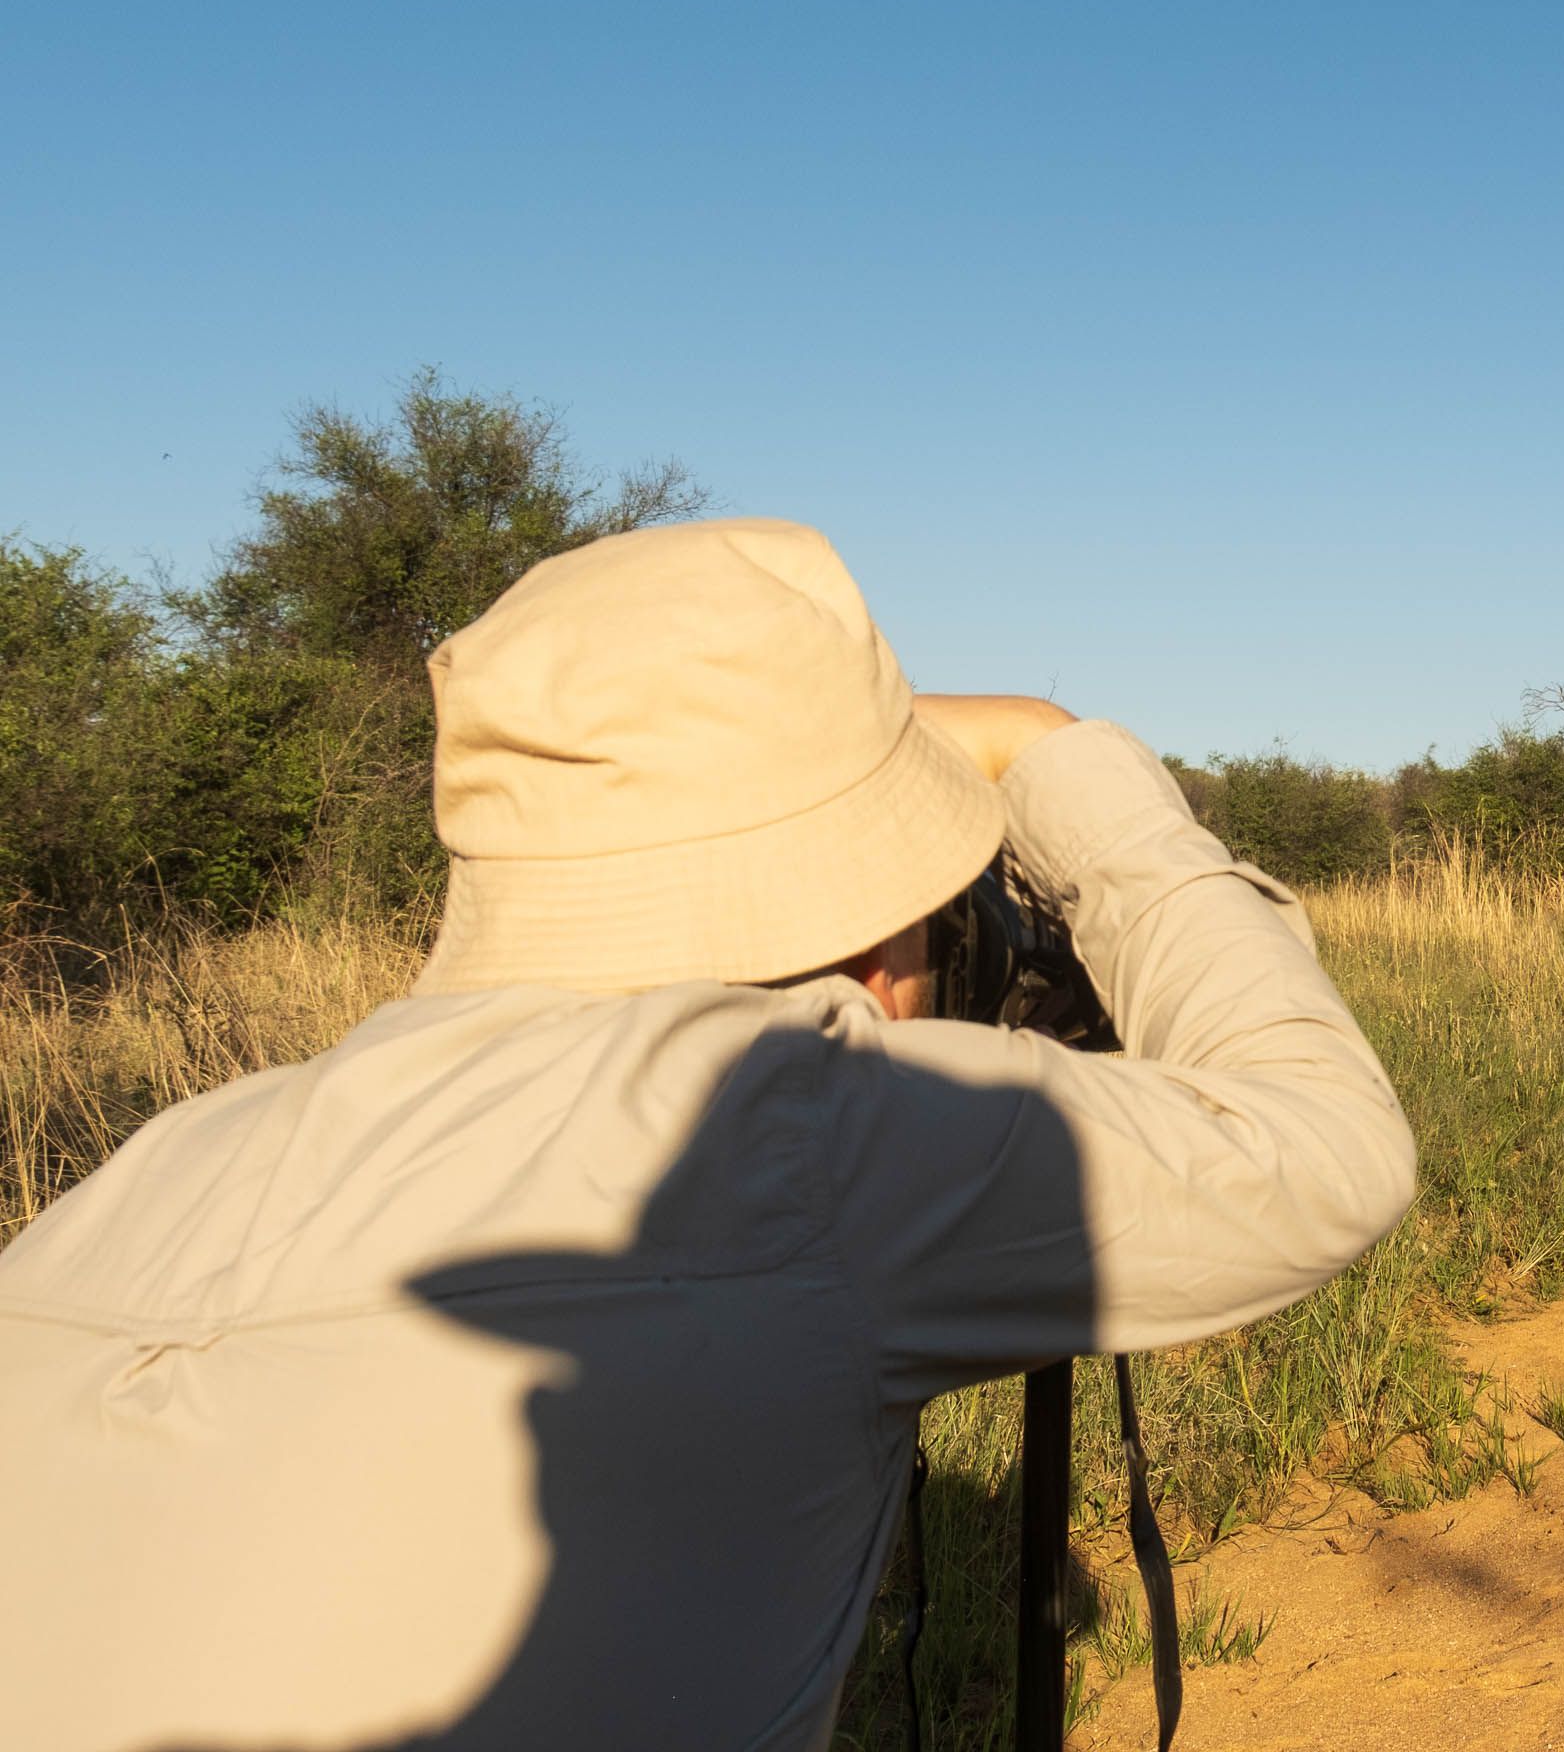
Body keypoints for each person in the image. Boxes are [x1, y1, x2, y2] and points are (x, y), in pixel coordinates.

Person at [0, 518, 1417, 1752]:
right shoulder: (798, 1127)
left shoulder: (145, 1169)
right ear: (871, 955)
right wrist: (1057, 757)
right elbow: (1326, 1145)